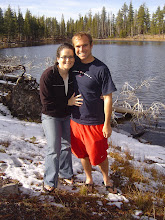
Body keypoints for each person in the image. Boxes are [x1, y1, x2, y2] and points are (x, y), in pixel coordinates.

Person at [70, 32, 117, 193]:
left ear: (91, 45)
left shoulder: (101, 69)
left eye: (84, 45)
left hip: (95, 122)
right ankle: (89, 178)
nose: (81, 49)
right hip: (75, 120)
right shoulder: (71, 64)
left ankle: (106, 179)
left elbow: (108, 98)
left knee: (99, 155)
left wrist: (107, 123)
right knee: (82, 153)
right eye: (77, 46)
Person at [40, 43, 83, 192]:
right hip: (50, 116)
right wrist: (67, 102)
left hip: (66, 115)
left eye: (71, 57)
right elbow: (46, 102)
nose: (68, 60)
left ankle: (66, 173)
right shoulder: (48, 75)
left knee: (66, 146)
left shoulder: (73, 74)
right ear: (58, 58)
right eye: (64, 57)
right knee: (54, 148)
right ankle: (50, 181)